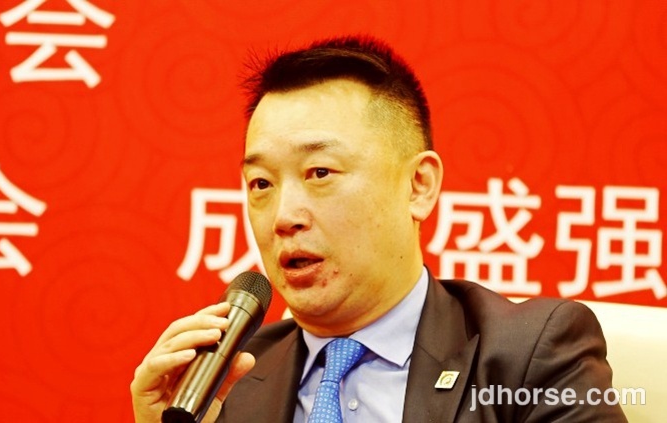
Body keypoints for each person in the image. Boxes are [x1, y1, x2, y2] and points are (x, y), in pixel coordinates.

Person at [131, 36, 627, 422]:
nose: (283, 216)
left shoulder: (527, 354)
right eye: (261, 183)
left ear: (418, 186)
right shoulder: (230, 381)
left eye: (320, 173)